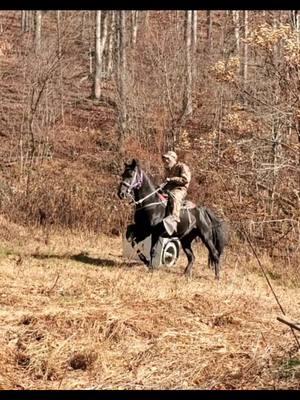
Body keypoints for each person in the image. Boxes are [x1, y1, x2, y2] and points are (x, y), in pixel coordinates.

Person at [161, 150, 191, 232]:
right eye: (165, 159)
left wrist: (171, 179)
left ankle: (174, 219)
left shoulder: (182, 166)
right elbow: (167, 183)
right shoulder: (168, 170)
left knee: (174, 196)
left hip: (180, 189)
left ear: (173, 159)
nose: (166, 161)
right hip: (168, 190)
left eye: (168, 159)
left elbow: (185, 179)